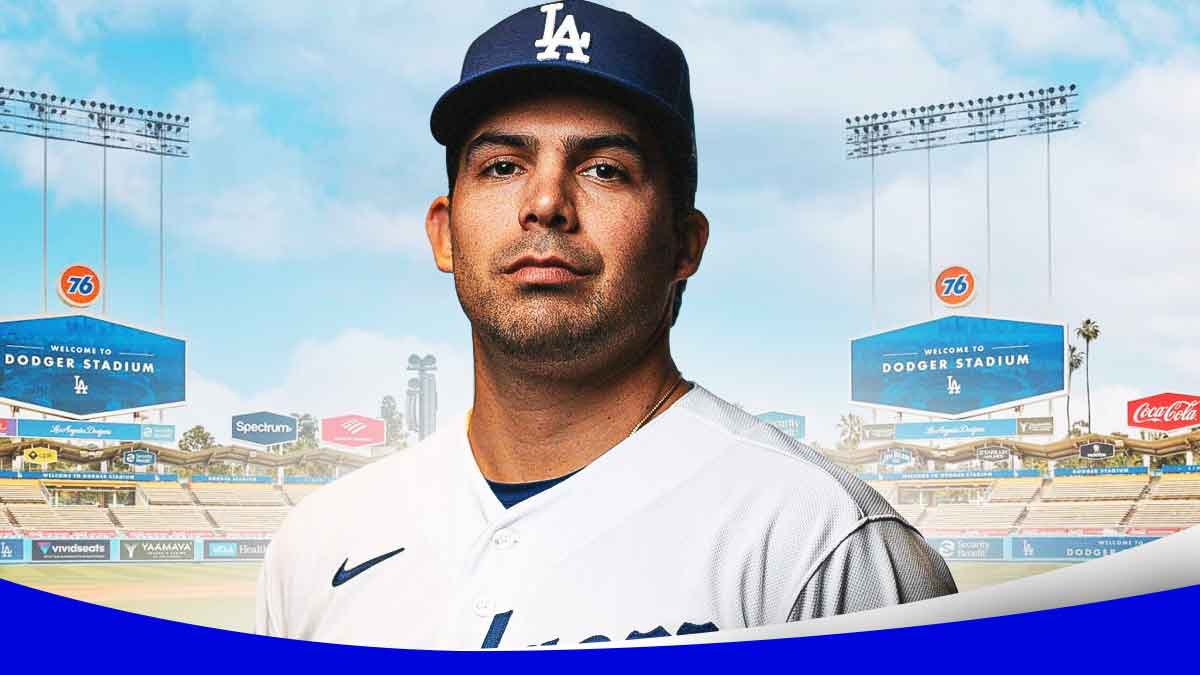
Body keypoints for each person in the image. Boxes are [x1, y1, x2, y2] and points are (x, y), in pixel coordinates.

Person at [256, 0, 956, 649]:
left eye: (604, 169)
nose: (547, 203)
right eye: (503, 165)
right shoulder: (317, 544)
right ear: (444, 233)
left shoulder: (820, 540)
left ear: (684, 244)